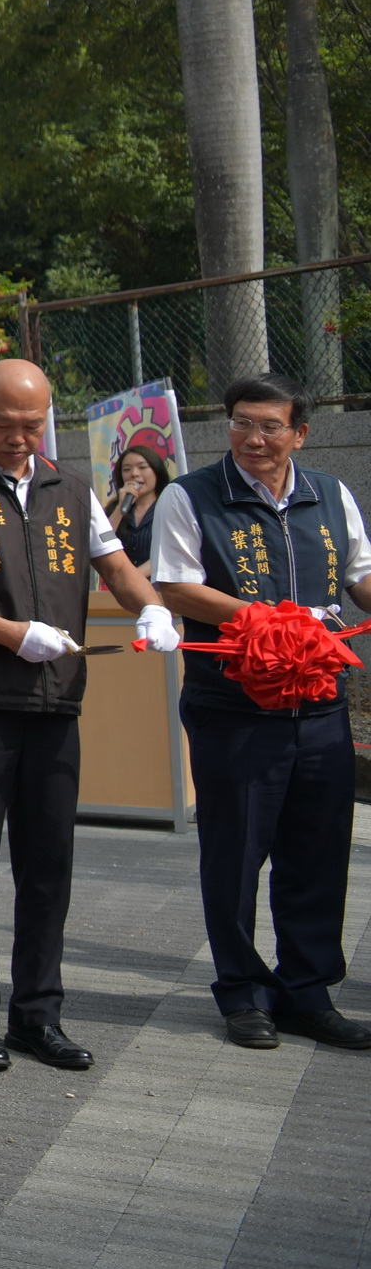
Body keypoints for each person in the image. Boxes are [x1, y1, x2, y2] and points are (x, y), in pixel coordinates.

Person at [0, 358, 177, 1074]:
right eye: (4, 424)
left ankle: (38, 1015)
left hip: (55, 701)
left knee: (49, 864)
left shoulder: (69, 487)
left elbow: (116, 566)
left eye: (33, 424)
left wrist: (150, 607)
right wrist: (11, 633)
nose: (20, 437)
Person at [147, 373, 371, 1052]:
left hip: (320, 704)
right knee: (237, 854)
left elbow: (359, 576)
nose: (253, 437)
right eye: (242, 422)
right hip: (234, 708)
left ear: (300, 433)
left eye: (270, 426)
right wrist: (268, 619)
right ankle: (243, 992)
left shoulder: (330, 494)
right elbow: (175, 584)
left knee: (319, 851)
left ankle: (308, 991)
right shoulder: (191, 496)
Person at [107, 444, 172, 572]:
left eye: (142, 467)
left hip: (158, 582)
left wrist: (133, 578)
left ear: (157, 471)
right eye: (127, 469)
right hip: (121, 583)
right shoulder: (114, 509)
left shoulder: (169, 506)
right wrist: (120, 507)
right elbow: (101, 542)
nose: (134, 474)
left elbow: (170, 553)